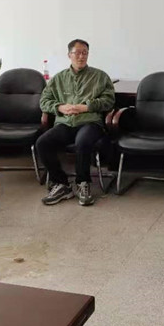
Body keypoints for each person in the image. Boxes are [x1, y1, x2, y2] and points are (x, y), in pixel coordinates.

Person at [37, 39, 115, 206]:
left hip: (90, 122)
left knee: (83, 141)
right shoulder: (59, 78)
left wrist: (86, 107)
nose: (81, 56)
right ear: (69, 55)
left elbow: (109, 101)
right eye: (77, 53)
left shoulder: (100, 76)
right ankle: (62, 184)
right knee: (43, 142)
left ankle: (83, 183)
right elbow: (44, 101)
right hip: (65, 122)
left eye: (85, 53)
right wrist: (60, 107)